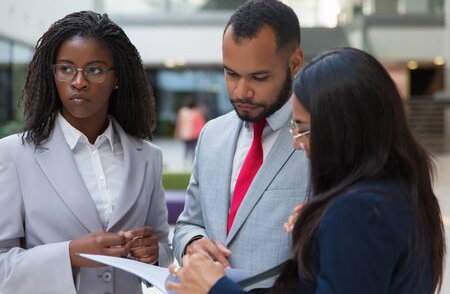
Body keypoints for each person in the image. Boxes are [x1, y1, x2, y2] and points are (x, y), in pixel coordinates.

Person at [166, 47, 446, 294]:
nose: (298, 144)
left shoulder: (358, 211)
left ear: (342, 129)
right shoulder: (401, 191)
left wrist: (215, 288)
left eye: (302, 129)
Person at [0, 11, 172, 294]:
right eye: (66, 69)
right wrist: (69, 254)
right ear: (53, 74)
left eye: (94, 70)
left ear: (116, 78)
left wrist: (154, 253)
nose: (79, 81)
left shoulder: (148, 157)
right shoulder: (14, 155)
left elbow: (164, 249)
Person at [173, 0, 309, 291]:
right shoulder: (211, 135)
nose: (240, 91)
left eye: (258, 77)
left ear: (295, 63)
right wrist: (193, 244)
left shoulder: (319, 140)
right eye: (231, 73)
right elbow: (187, 224)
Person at [174, 96, 206, 166]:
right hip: (195, 134)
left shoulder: (183, 111)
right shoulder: (197, 112)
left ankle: (185, 163)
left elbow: (179, 123)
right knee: (194, 149)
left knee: (186, 148)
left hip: (185, 134)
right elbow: (202, 123)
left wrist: (176, 133)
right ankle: (192, 163)